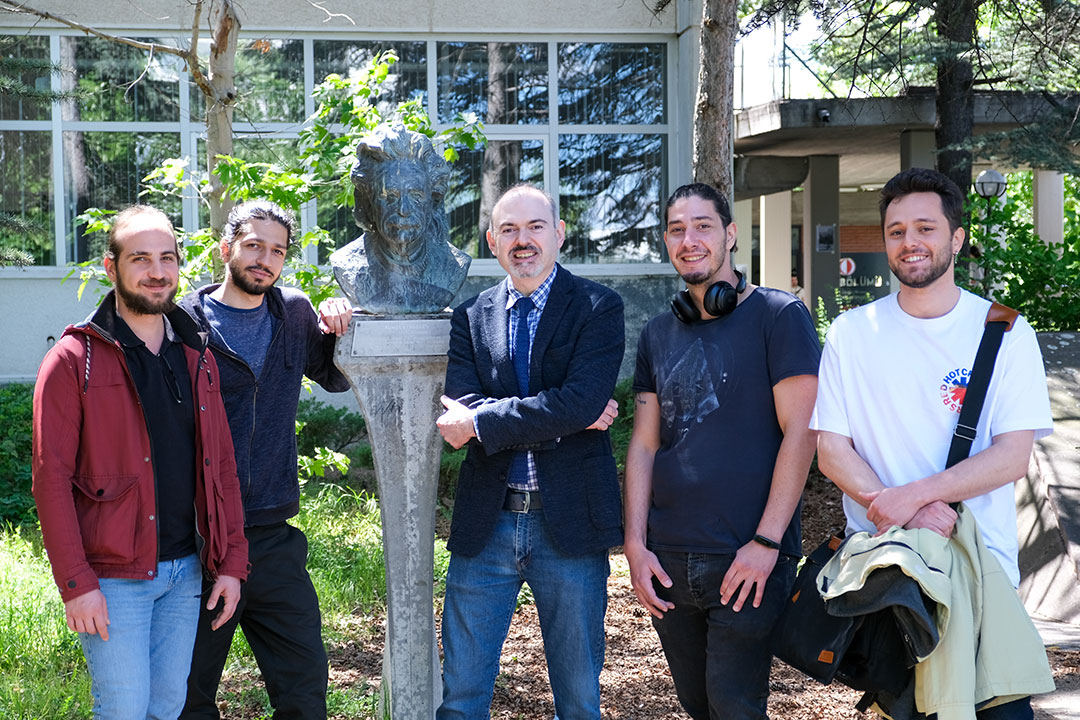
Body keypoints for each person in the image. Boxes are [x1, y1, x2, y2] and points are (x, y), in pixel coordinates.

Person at [811, 167, 1054, 719]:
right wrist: (903, 516)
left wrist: (912, 498)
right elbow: (832, 451)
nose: (910, 242)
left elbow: (1013, 455)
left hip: (980, 572)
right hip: (889, 580)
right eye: (895, 231)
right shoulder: (852, 333)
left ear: (956, 238)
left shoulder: (1006, 331)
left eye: (925, 227)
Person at [32, 205, 249, 719]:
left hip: (186, 572)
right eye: (140, 259)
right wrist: (77, 584)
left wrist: (232, 563)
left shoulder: (197, 355)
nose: (157, 271)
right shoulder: (72, 359)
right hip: (113, 578)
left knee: (168, 707)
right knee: (124, 709)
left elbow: (222, 470)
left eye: (167, 258)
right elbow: (51, 482)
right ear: (111, 268)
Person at [624, 183, 820, 720]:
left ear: (731, 235)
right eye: (676, 229)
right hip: (667, 558)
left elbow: (803, 434)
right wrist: (635, 546)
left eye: (703, 226)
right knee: (698, 706)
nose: (689, 240)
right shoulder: (658, 333)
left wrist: (767, 541)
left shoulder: (780, 316)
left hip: (746, 556)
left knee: (735, 706)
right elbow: (644, 445)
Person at [435, 183, 625, 719]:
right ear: (492, 241)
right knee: (462, 696)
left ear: (559, 234)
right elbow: (467, 402)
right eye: (510, 230)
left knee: (579, 698)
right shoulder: (469, 316)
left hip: (567, 526)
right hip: (486, 526)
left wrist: (482, 422)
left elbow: (578, 400)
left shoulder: (597, 307)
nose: (523, 240)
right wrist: (566, 415)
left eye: (535, 227)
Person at [179, 200, 353, 720]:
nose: (265, 259)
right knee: (187, 698)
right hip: (198, 540)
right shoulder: (184, 322)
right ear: (226, 248)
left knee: (304, 694)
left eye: (277, 251)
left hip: (274, 537)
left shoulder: (294, 313)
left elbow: (336, 375)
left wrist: (343, 321)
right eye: (254, 245)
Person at [331, 122, 471, 314]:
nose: (404, 209)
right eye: (389, 197)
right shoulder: (347, 264)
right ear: (368, 203)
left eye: (416, 196)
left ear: (433, 201)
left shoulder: (453, 266)